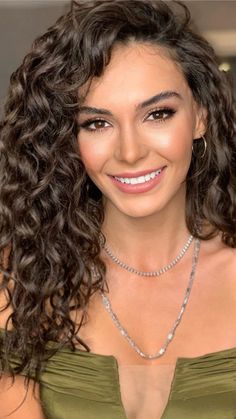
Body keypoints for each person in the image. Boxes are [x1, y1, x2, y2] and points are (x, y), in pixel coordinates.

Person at [0, 0, 235, 418]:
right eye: (97, 123)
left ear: (200, 116)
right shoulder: (20, 282)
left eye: (158, 114)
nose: (130, 152)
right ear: (68, 139)